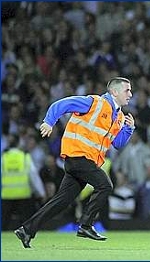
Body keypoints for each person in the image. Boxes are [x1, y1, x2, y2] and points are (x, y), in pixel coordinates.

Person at [14, 77, 135, 248]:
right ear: (114, 92)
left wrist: (129, 129)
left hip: (84, 162)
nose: (130, 94)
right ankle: (85, 225)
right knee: (105, 185)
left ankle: (26, 230)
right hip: (78, 157)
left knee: (61, 201)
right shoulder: (95, 102)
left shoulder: (120, 117)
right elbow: (61, 104)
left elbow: (117, 143)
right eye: (127, 90)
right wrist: (49, 122)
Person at [2, 134, 46, 230]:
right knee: (26, 223)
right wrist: (41, 192)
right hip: (23, 195)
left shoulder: (3, 157)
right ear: (18, 143)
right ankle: (25, 235)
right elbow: (33, 176)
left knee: (3, 224)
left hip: (6, 195)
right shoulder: (24, 156)